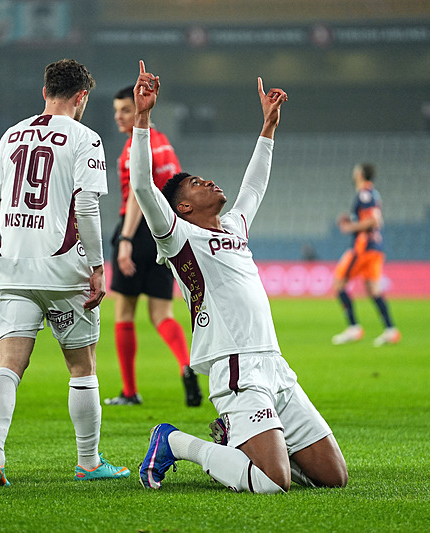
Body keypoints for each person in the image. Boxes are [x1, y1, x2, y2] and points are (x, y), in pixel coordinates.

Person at [131, 61, 347, 493]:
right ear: (183, 208)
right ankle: (173, 441)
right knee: (271, 484)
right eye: (195, 183)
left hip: (275, 365)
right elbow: (141, 186)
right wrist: (142, 118)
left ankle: (244, 444)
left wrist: (268, 128)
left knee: (334, 478)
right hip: (236, 367)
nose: (208, 181)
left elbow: (253, 188)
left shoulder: (233, 228)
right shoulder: (178, 237)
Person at [0, 58, 129, 488]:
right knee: (82, 367)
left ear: (45, 90)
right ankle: (87, 462)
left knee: (9, 363)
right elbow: (85, 205)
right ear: (82, 96)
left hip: (15, 268)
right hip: (65, 270)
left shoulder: (11, 136)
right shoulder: (86, 138)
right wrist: (98, 267)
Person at [105, 85, 201, 407]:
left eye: (125, 110)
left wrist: (126, 240)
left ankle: (130, 391)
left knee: (124, 312)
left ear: (141, 109)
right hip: (165, 230)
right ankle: (186, 364)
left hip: (137, 229)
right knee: (162, 312)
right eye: (117, 110)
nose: (119, 116)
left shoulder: (137, 145)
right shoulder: (165, 145)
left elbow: (137, 193)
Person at [331, 163, 400, 347]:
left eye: (356, 170)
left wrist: (349, 227)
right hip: (375, 248)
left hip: (362, 248)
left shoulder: (364, 194)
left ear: (360, 174)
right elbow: (376, 219)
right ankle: (390, 330)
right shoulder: (374, 194)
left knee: (339, 283)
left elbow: (374, 221)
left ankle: (354, 327)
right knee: (373, 290)